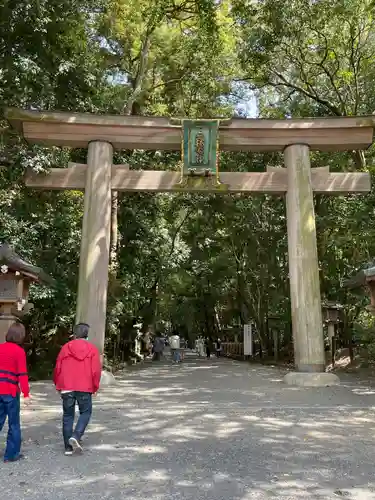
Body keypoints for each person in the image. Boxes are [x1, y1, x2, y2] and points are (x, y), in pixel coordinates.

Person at [53, 323, 101, 456]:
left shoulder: (65, 348)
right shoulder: (92, 349)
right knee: (85, 412)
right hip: (85, 386)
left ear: (74, 334)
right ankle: (76, 435)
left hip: (66, 386)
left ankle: (68, 448)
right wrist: (95, 386)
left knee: (68, 415)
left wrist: (58, 384)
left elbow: (58, 368)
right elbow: (96, 370)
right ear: (87, 334)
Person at [0, 322, 30, 463]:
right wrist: (26, 393)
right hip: (11, 392)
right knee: (13, 424)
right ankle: (11, 455)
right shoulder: (19, 351)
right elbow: (22, 375)